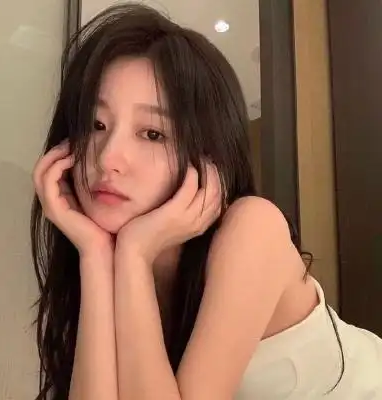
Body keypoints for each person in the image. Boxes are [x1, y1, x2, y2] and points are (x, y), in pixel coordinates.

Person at [31, 3, 382, 400]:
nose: (108, 157)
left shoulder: (253, 226)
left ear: (208, 158)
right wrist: (95, 256)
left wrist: (133, 254)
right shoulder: (106, 256)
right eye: (96, 125)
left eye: (152, 134)